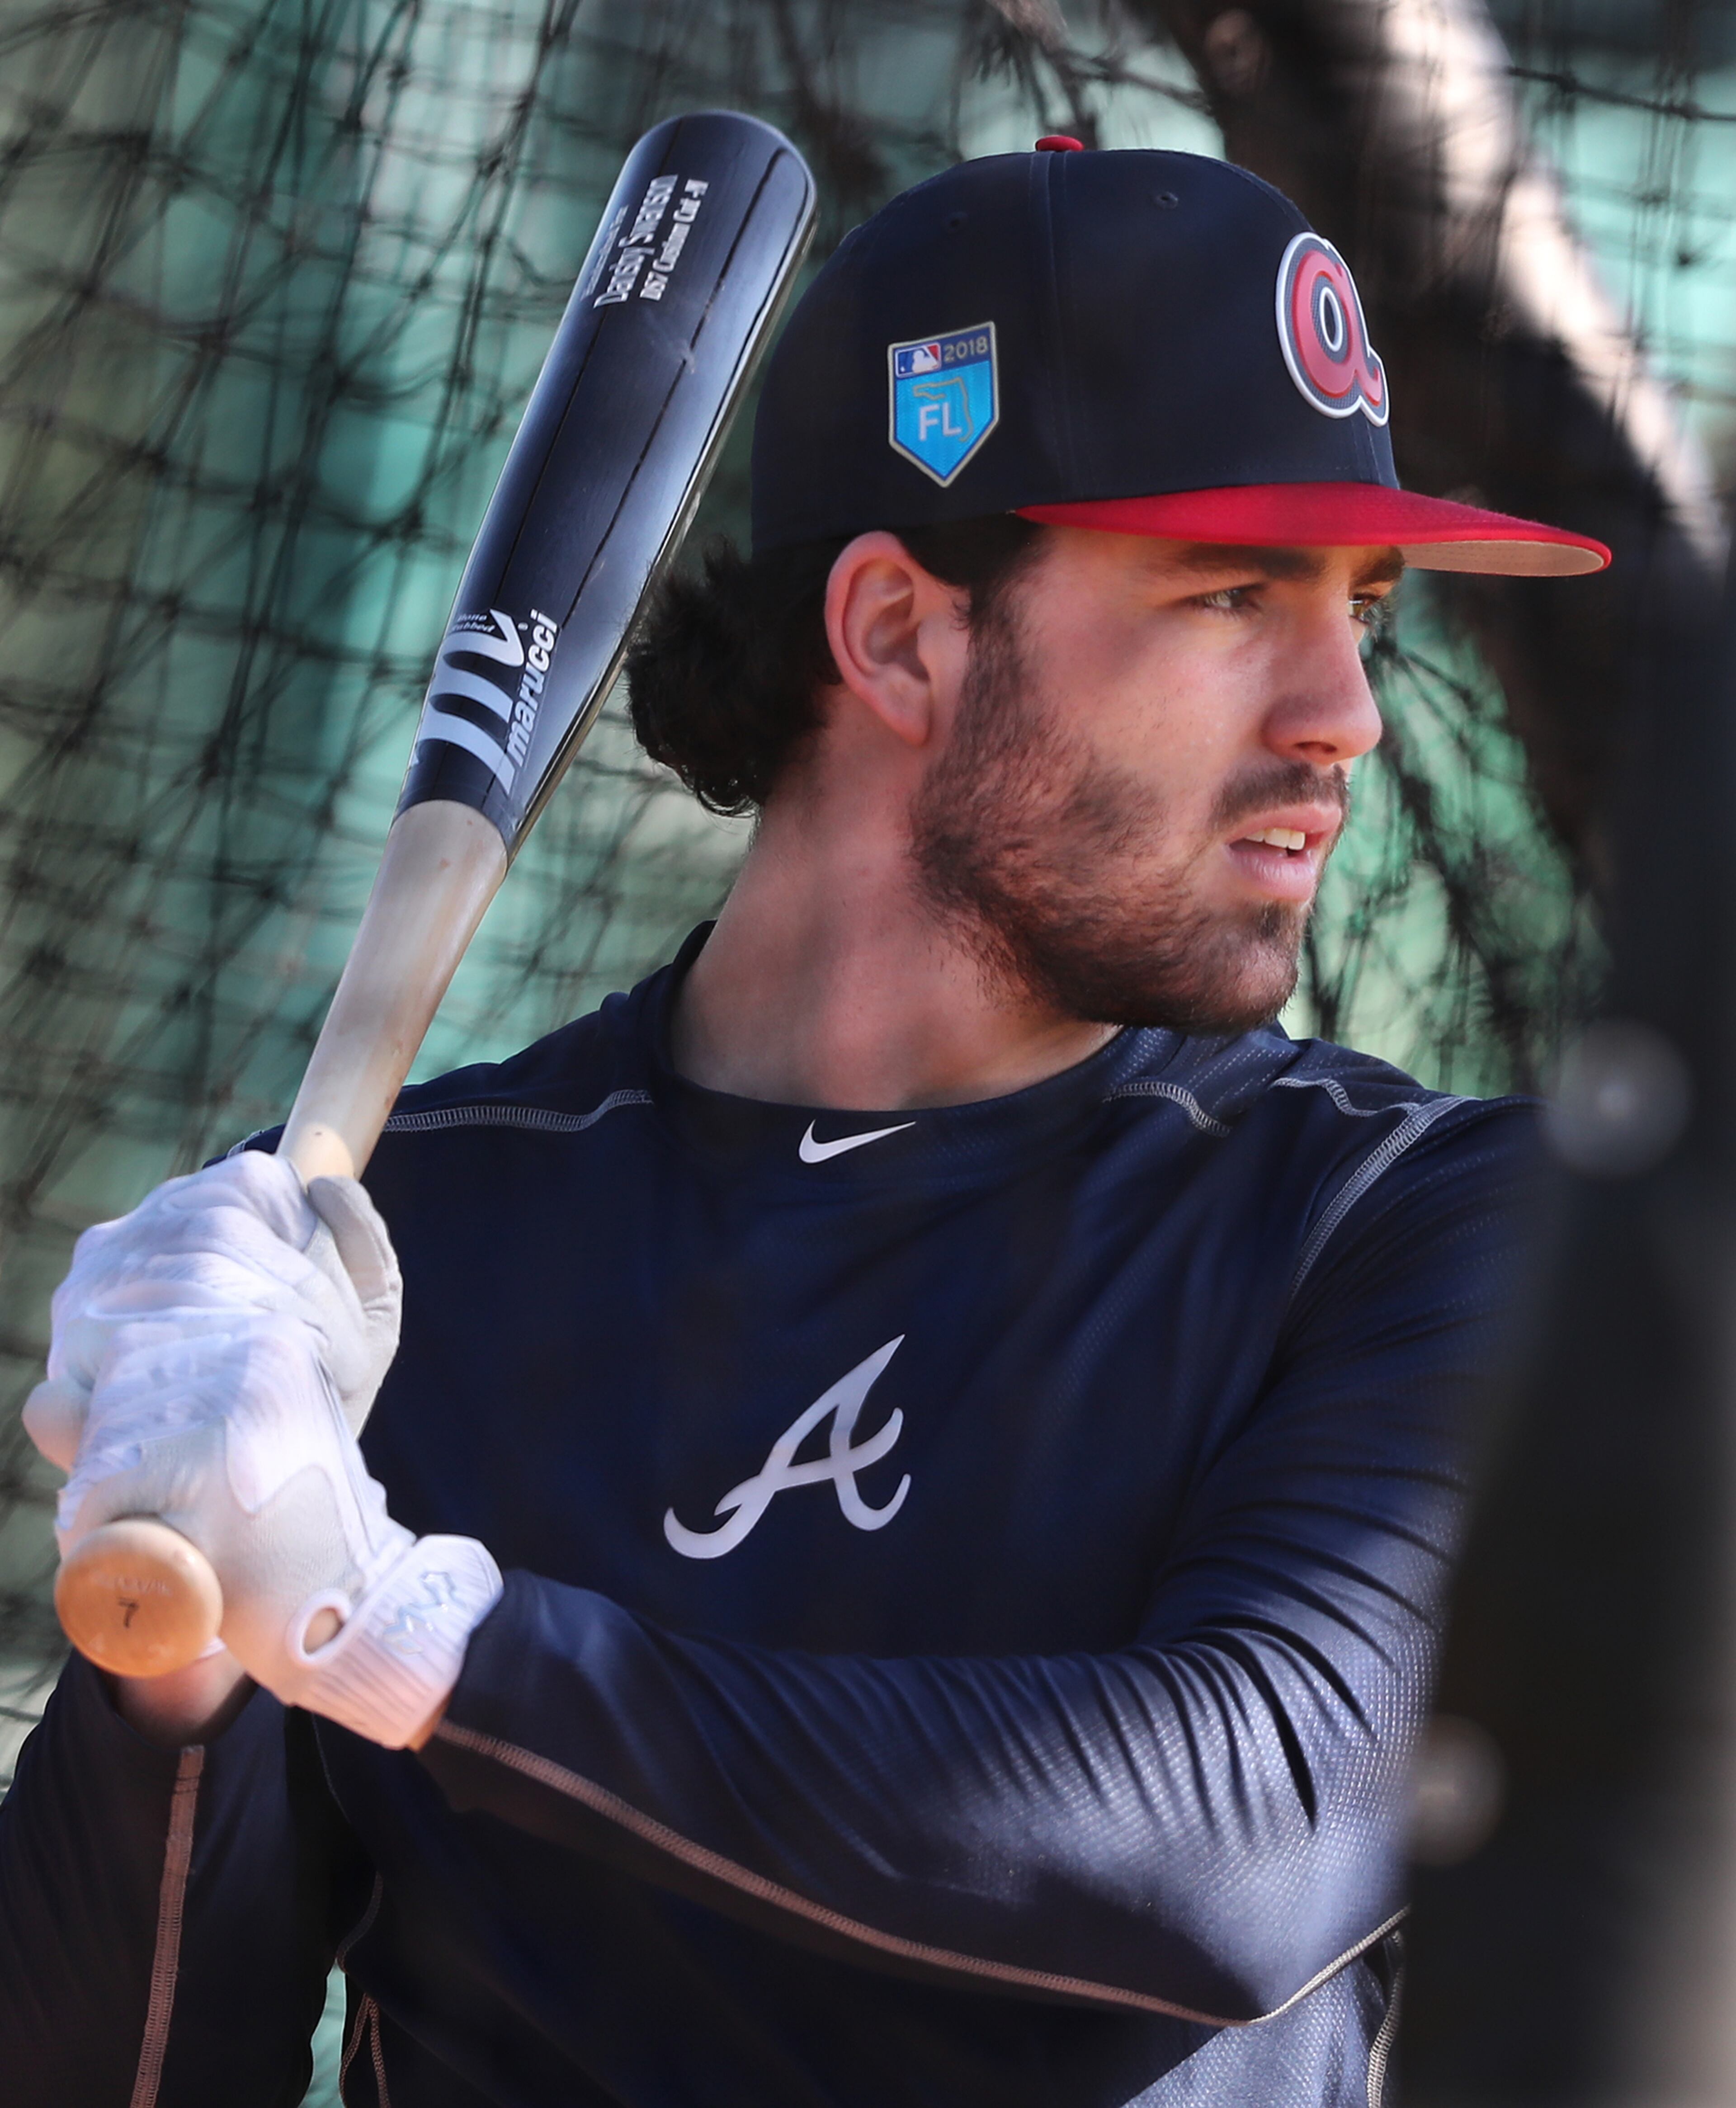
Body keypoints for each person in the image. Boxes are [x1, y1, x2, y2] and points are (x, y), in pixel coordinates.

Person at [0, 139, 1606, 2108]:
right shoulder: (411, 1238)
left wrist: (404, 1628)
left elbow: (1236, 1849)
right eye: (1232, 593)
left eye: (1364, 606)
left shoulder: (1409, 1223)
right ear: (901, 635)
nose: (1346, 710)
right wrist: (175, 1645)